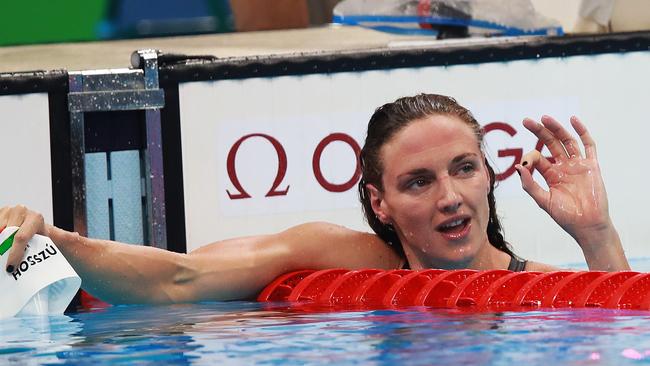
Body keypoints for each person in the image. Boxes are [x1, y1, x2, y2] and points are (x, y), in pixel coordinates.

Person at [0, 94, 629, 304]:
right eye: (419, 181)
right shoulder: (334, 257)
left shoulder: (539, 287)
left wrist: (596, 236)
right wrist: (57, 243)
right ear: (379, 204)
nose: (451, 197)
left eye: (465, 169)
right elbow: (180, 277)